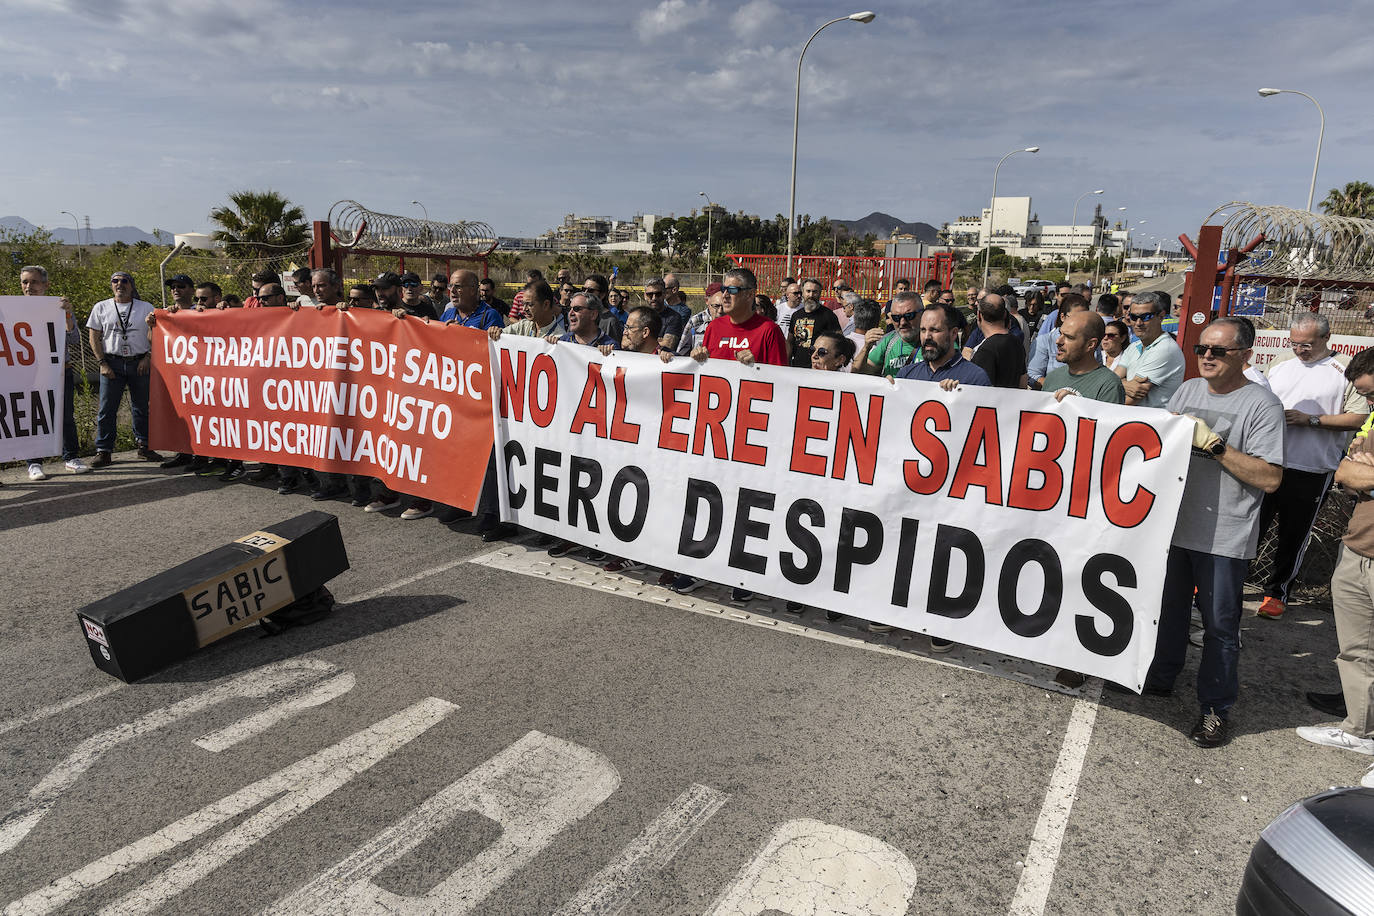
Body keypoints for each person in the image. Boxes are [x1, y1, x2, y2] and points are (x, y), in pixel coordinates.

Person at [1141, 317, 1284, 748]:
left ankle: (1215, 708)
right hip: (1176, 525)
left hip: (1224, 534)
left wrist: (1216, 446)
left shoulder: (1263, 405)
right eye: (1202, 347)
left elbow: (1271, 478)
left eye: (1218, 351)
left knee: (1221, 626)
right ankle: (1162, 678)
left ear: (1245, 355)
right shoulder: (1187, 390)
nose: (1206, 356)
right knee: (1167, 611)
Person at [672, 268, 786, 600]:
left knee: (748, 502)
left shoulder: (768, 331)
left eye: (733, 289)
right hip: (713, 431)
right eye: (724, 288)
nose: (726, 294)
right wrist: (697, 357)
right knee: (705, 495)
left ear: (751, 294)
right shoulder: (714, 328)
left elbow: (786, 383)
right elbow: (702, 372)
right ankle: (696, 565)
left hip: (752, 432)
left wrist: (759, 365)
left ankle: (744, 573)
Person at [1255, 314, 1370, 619]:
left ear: (1326, 338)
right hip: (1269, 461)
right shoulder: (1280, 362)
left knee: (1293, 535)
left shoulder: (1344, 368)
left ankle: (1277, 592)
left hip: (1312, 467)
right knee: (1251, 526)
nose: (1299, 350)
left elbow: (1357, 417)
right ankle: (1224, 582)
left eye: (1306, 344)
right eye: (1294, 343)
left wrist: (1312, 420)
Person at [893, 304, 989, 647]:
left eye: (934, 331)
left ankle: (942, 622)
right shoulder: (907, 375)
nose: (927, 338)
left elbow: (985, 435)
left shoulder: (975, 377)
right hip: (911, 482)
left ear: (953, 334)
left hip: (951, 486)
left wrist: (959, 401)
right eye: (923, 331)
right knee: (905, 545)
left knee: (944, 552)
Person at [1298, 348, 1374, 774]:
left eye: (1372, 395)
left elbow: (1358, 472)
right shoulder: (1373, 418)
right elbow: (1345, 471)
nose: (1368, 406)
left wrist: (1364, 474)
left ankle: (1361, 728)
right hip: (1358, 543)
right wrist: (1359, 471)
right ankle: (1359, 719)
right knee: (1357, 646)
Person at [18, 265, 89, 478]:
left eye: (35, 282)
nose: (29, 286)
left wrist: (67, 315)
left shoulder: (58, 307)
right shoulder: (13, 308)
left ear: (46, 284)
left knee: (65, 416)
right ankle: (34, 463)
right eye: (25, 282)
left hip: (59, 371)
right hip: (26, 373)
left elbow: (74, 339)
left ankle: (71, 457)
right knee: (33, 416)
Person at [86, 272, 160, 467]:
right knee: (107, 409)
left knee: (141, 407)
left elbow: (156, 333)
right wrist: (102, 363)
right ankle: (104, 450)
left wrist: (148, 356)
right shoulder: (101, 307)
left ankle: (144, 445)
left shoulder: (146, 307)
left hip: (139, 362)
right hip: (112, 363)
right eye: (115, 281)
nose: (120, 284)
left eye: (124, 281)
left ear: (131, 285)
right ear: (111, 285)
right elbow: (94, 336)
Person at [1114, 290, 1186, 407]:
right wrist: (1126, 385)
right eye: (1133, 317)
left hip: (1151, 422)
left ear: (1161, 316)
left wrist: (1118, 383)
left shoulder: (1164, 350)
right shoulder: (1134, 346)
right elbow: (1112, 379)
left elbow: (1132, 399)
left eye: (1146, 317)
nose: (1138, 323)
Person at [1043, 311, 1124, 404]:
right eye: (1060, 334)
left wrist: (1078, 405)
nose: (1058, 341)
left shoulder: (1109, 385)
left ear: (1090, 344)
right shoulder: (1052, 377)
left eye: (1069, 337)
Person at [964, 293, 1027, 389]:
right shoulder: (1016, 342)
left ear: (979, 315)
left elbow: (977, 389)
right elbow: (1023, 382)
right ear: (1005, 314)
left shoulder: (986, 350)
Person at [858, 291, 921, 378]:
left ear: (922, 314)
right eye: (896, 318)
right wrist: (866, 347)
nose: (902, 322)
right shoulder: (888, 341)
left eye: (909, 316)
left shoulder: (934, 343)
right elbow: (863, 374)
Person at [787, 278, 841, 368]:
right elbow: (789, 342)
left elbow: (838, 341)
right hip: (797, 367)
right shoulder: (796, 315)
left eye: (815, 292)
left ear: (819, 294)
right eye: (808, 291)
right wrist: (787, 362)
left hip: (819, 368)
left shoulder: (828, 315)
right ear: (803, 293)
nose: (811, 295)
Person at [439, 270, 504, 329]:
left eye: (458, 286)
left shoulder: (490, 316)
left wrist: (461, 333)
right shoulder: (448, 314)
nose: (452, 290)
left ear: (472, 290)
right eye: (450, 286)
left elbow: (493, 341)